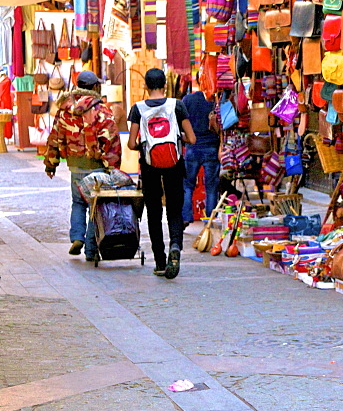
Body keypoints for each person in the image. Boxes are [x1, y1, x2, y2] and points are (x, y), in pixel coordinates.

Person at [43, 71, 122, 261]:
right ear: (95, 87)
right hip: (96, 167)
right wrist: (113, 166)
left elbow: (54, 137)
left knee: (78, 202)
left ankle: (77, 237)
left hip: (75, 166)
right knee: (96, 206)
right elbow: (111, 139)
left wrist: (51, 164)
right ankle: (90, 249)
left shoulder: (64, 109)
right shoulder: (102, 111)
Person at [127, 69, 195, 279]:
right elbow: (191, 139)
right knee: (174, 209)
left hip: (149, 167)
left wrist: (143, 145)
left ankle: (160, 261)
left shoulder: (138, 109)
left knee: (154, 213)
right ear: (165, 84)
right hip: (174, 164)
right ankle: (175, 245)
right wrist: (178, 138)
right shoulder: (177, 105)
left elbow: (131, 143)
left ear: (146, 86)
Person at [180, 87, 220, 225]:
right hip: (212, 147)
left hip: (193, 147)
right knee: (211, 187)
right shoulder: (215, 100)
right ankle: (210, 219)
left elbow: (180, 122)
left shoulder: (188, 100)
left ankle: (186, 216)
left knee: (187, 184)